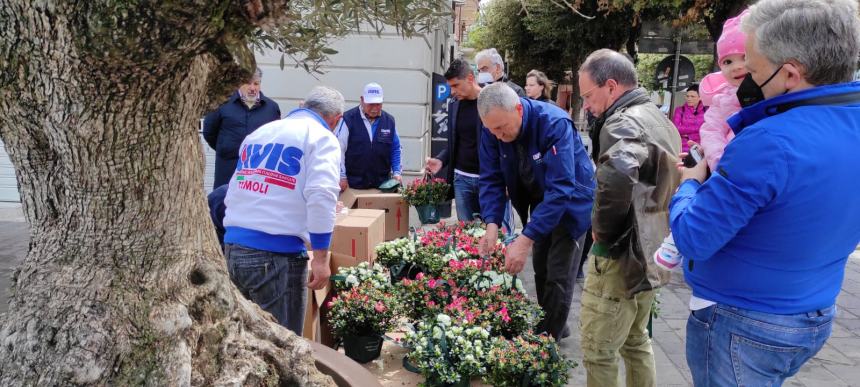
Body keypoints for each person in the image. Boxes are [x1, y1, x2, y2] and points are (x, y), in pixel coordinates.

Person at [670, 1, 860, 385]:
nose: (747, 83)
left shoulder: (770, 141)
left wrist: (690, 183)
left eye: (754, 71)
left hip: (743, 321)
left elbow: (693, 237)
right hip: (815, 308)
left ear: (790, 73)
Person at [577, 49, 681, 387]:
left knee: (598, 350)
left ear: (610, 86)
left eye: (588, 96)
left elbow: (619, 174)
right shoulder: (659, 118)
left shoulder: (622, 121)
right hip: (652, 251)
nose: (587, 106)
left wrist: (601, 232)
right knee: (636, 341)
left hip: (621, 253)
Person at [475, 82, 595, 341]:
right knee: (540, 268)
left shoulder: (553, 124)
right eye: (491, 129)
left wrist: (525, 238)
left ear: (518, 109)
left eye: (502, 128)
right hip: (540, 202)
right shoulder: (492, 130)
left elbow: (562, 187)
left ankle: (545, 344)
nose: (497, 135)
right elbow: (491, 178)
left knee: (558, 275)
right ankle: (554, 324)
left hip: (571, 201)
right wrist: (492, 224)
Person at [222, 86, 344, 335]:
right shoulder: (321, 138)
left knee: (245, 342)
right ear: (336, 120)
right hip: (275, 256)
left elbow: (236, 186)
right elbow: (322, 195)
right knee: (283, 345)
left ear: (303, 106)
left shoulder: (261, 132)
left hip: (234, 248)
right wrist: (321, 259)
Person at [425, 59, 486, 221]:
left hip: (488, 179)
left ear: (470, 78)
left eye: (456, 85)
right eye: (450, 86)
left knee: (491, 234)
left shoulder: (490, 101)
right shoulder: (454, 104)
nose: (452, 91)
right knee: (465, 237)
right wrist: (441, 160)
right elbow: (454, 141)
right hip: (461, 179)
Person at [203, 68, 281, 188]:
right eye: (248, 83)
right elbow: (209, 131)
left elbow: (276, 137)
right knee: (223, 203)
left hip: (257, 172)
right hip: (227, 168)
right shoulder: (222, 103)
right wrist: (225, 147)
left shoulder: (271, 108)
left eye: (256, 83)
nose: (252, 88)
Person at [698, 10, 749, 171]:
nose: (736, 67)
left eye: (745, 57)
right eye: (727, 62)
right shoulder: (722, 99)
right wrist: (719, 163)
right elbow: (711, 131)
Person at [336, 83, 402, 190]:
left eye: (378, 104)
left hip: (382, 184)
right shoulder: (348, 119)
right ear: (362, 100)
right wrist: (342, 176)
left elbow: (396, 149)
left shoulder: (389, 121)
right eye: (370, 104)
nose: (375, 108)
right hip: (354, 184)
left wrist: (397, 173)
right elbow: (339, 149)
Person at [671, 84, 707, 152]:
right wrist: (698, 130)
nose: (689, 99)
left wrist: (686, 133)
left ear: (700, 97)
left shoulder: (707, 110)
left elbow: (709, 128)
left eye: (692, 96)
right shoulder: (680, 110)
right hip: (683, 148)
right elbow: (675, 129)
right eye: (687, 96)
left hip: (701, 148)